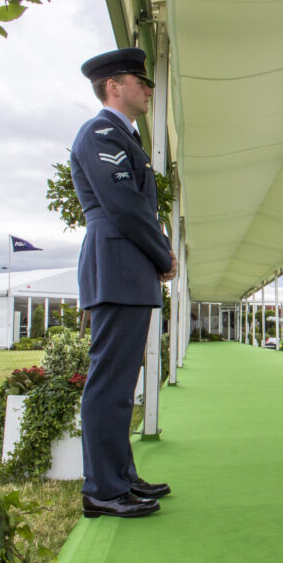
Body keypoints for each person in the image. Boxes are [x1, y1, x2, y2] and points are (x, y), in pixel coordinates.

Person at [71, 48, 177, 517]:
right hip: (117, 265)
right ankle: (102, 490)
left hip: (125, 268)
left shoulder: (122, 137)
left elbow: (136, 206)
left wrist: (158, 252)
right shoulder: (100, 133)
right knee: (109, 383)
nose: (149, 88)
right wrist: (162, 253)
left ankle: (120, 478)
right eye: (141, 80)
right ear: (114, 85)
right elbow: (125, 205)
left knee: (119, 384)